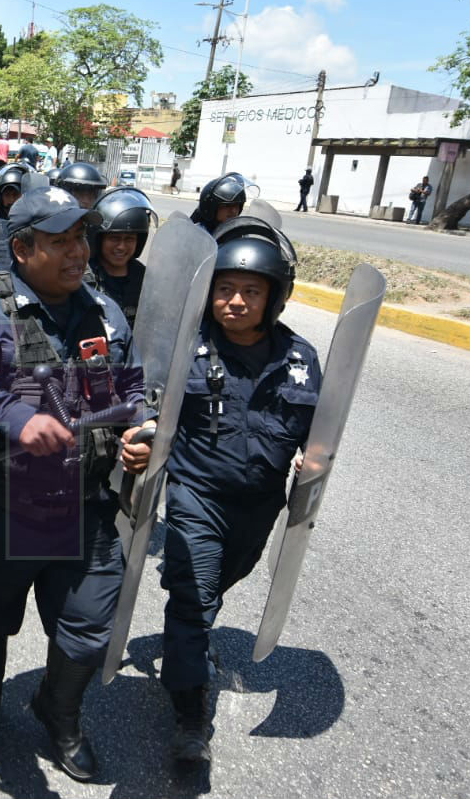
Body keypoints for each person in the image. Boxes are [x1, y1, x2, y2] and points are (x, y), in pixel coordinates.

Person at [0, 185, 155, 783]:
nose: (78, 252)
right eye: (60, 241)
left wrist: (140, 432)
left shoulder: (104, 313)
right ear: (23, 249)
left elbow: (129, 393)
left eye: (80, 237)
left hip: (85, 509)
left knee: (87, 631)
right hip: (4, 508)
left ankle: (59, 712)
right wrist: (17, 419)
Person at [159, 215, 319, 765]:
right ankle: (188, 718)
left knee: (222, 581)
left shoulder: (301, 361)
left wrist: (311, 454)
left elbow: (318, 429)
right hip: (195, 496)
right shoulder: (186, 348)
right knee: (194, 600)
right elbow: (147, 404)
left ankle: (187, 634)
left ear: (274, 297)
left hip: (260, 505)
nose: (235, 302)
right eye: (225, 290)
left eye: (251, 292)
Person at [84, 187, 156, 329]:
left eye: (129, 239)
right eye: (114, 238)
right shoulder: (85, 277)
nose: (121, 247)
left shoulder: (145, 279)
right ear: (99, 239)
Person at [191, 172, 257, 233]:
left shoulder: (238, 233)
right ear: (211, 208)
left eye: (237, 205)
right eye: (227, 205)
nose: (233, 211)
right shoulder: (197, 234)